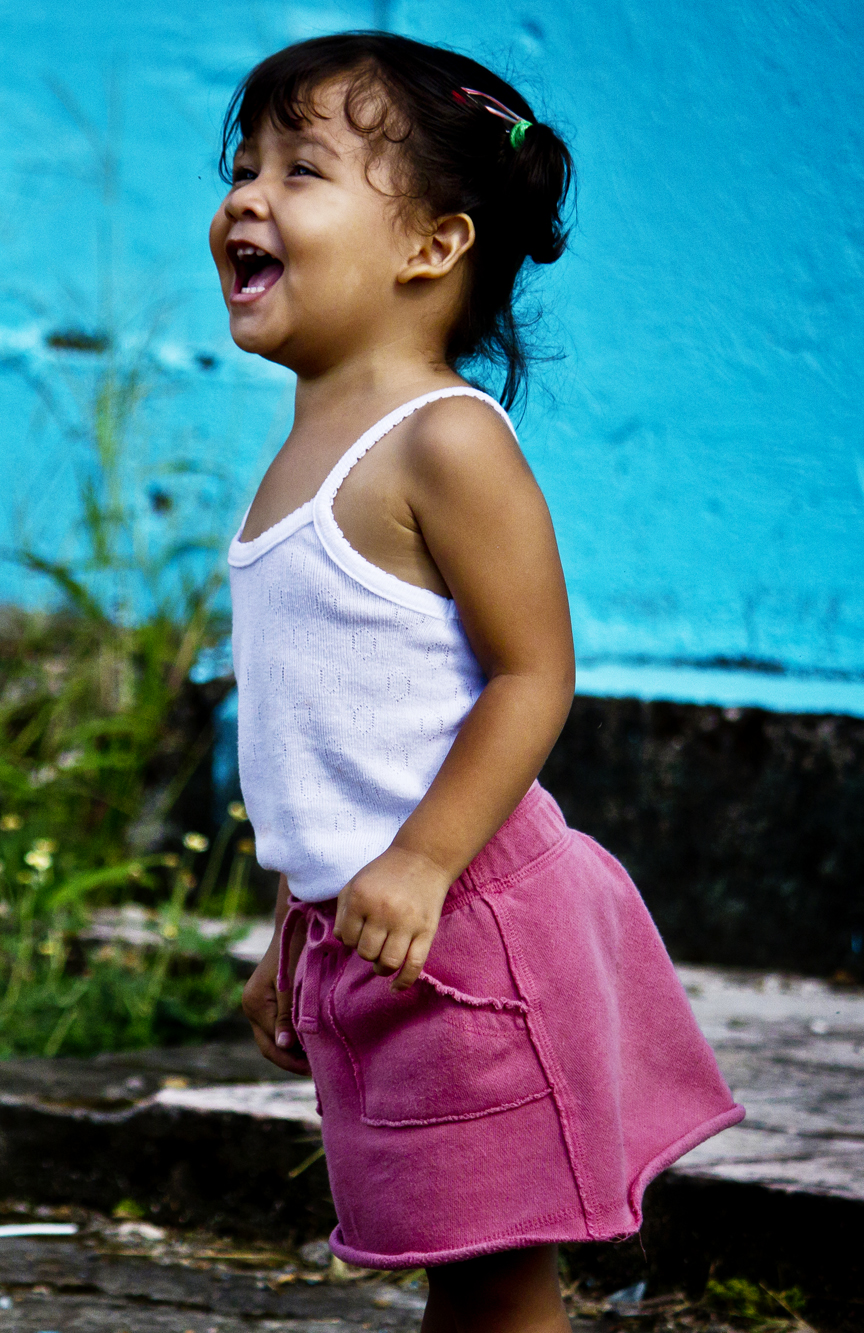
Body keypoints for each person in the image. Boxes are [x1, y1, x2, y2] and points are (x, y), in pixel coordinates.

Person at [217, 32, 743, 1333]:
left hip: (473, 922)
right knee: (458, 1258)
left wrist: (418, 860)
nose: (246, 196)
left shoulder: (441, 440)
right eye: (242, 167)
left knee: (500, 1269)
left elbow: (533, 673)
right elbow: (335, 728)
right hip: (379, 925)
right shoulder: (303, 448)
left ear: (433, 247)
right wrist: (298, 914)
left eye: (303, 168)